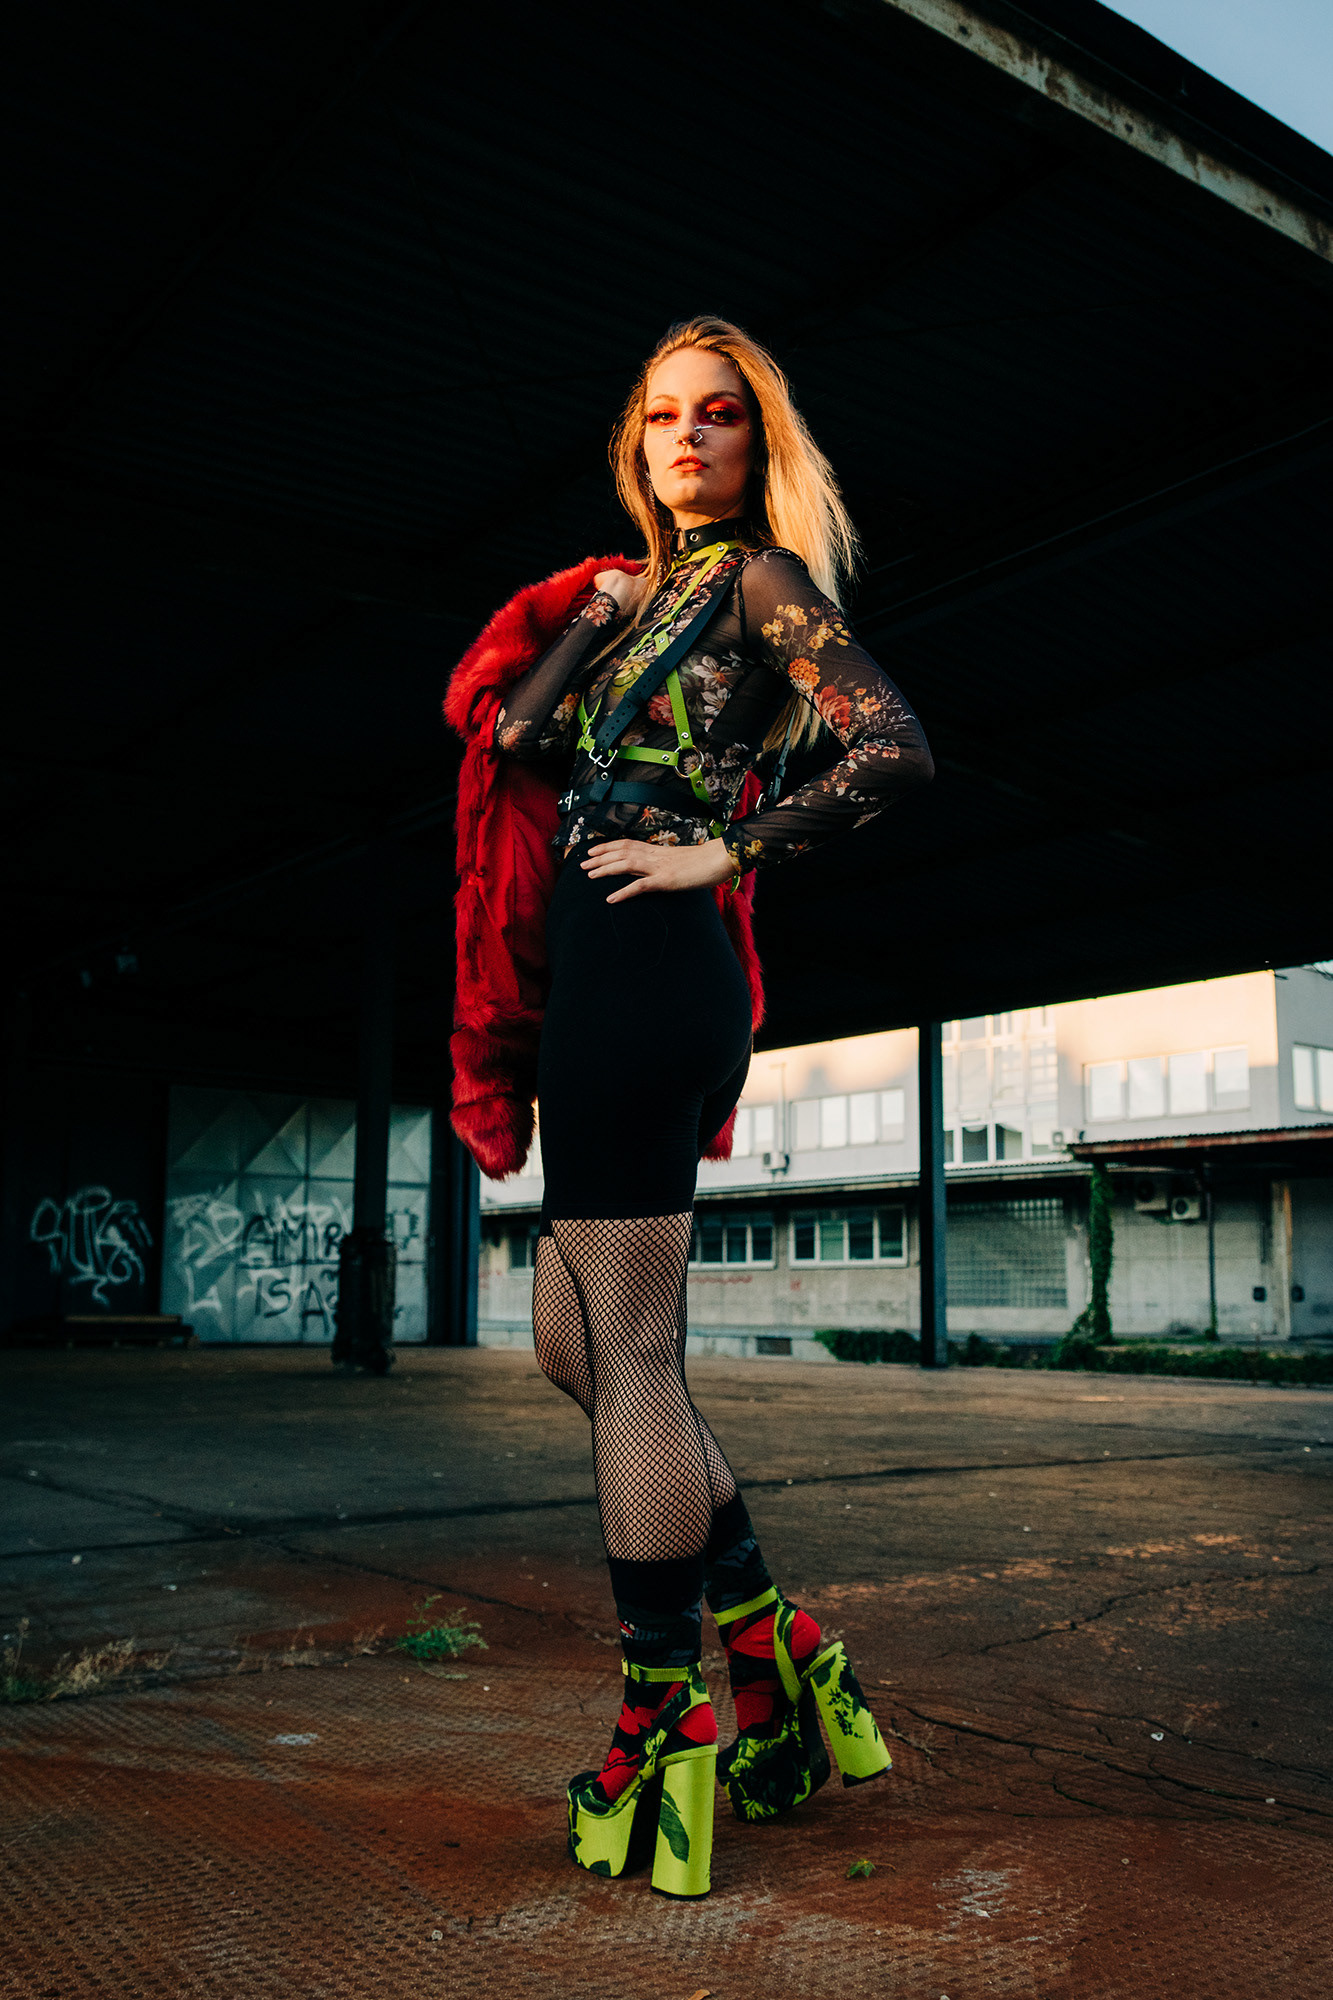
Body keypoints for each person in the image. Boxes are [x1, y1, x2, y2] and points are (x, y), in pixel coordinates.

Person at [477, 315, 933, 1898]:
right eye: (662, 416)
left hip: (658, 968)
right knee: (570, 1344)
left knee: (637, 1351)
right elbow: (519, 739)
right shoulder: (647, 596)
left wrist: (718, 853)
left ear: (757, 440)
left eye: (717, 415)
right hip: (601, 986)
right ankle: (771, 1638)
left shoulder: (758, 582)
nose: (686, 437)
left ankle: (665, 1708)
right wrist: (586, 624)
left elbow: (893, 746)